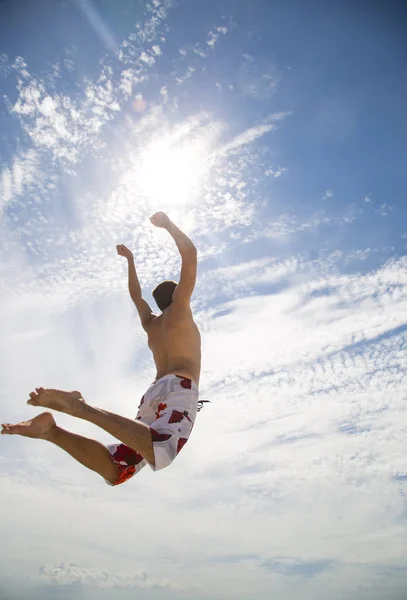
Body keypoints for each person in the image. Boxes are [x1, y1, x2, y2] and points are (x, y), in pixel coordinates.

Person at [1, 211, 202, 486]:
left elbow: (135, 295)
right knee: (161, 450)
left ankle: (52, 431)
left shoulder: (151, 324)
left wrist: (130, 260)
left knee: (116, 469)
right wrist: (167, 224)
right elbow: (189, 255)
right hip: (179, 388)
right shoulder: (181, 309)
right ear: (178, 294)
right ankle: (81, 408)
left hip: (154, 393)